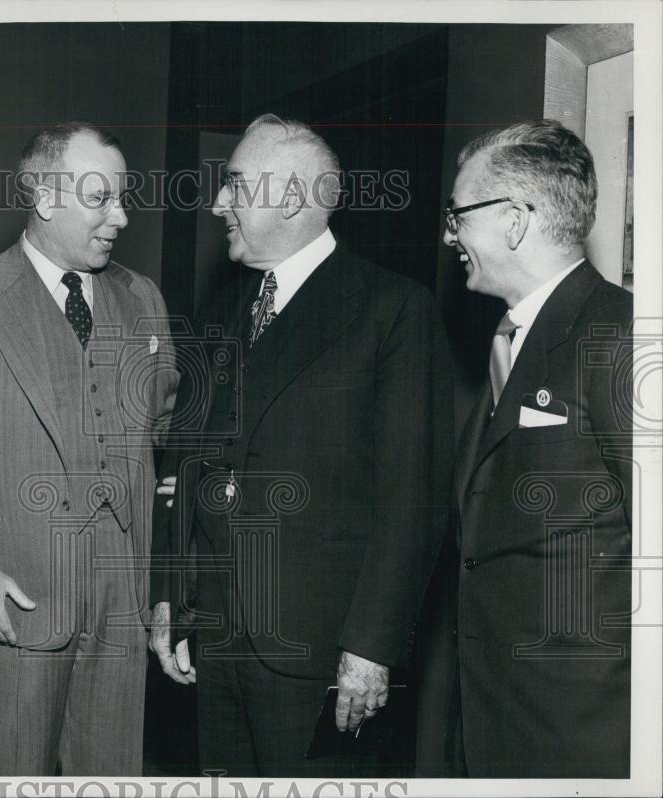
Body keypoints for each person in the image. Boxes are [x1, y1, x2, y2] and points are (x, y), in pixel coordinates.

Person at [149, 113, 451, 776]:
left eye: (234, 186)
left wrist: (371, 648)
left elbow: (412, 497)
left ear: (289, 198)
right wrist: (171, 596)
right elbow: (185, 462)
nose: (216, 203)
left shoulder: (392, 309)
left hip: (320, 655)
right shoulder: (222, 310)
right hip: (218, 640)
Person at [0, 123, 177, 776]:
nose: (122, 215)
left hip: (121, 600)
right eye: (101, 198)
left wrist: (160, 586)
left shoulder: (142, 299)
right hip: (14, 598)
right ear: (46, 197)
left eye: (123, 197)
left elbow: (162, 434)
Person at [428, 119, 632, 778]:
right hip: (497, 725)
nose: (447, 235)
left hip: (582, 736)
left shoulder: (620, 336)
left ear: (514, 221)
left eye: (457, 216)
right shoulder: (510, 342)